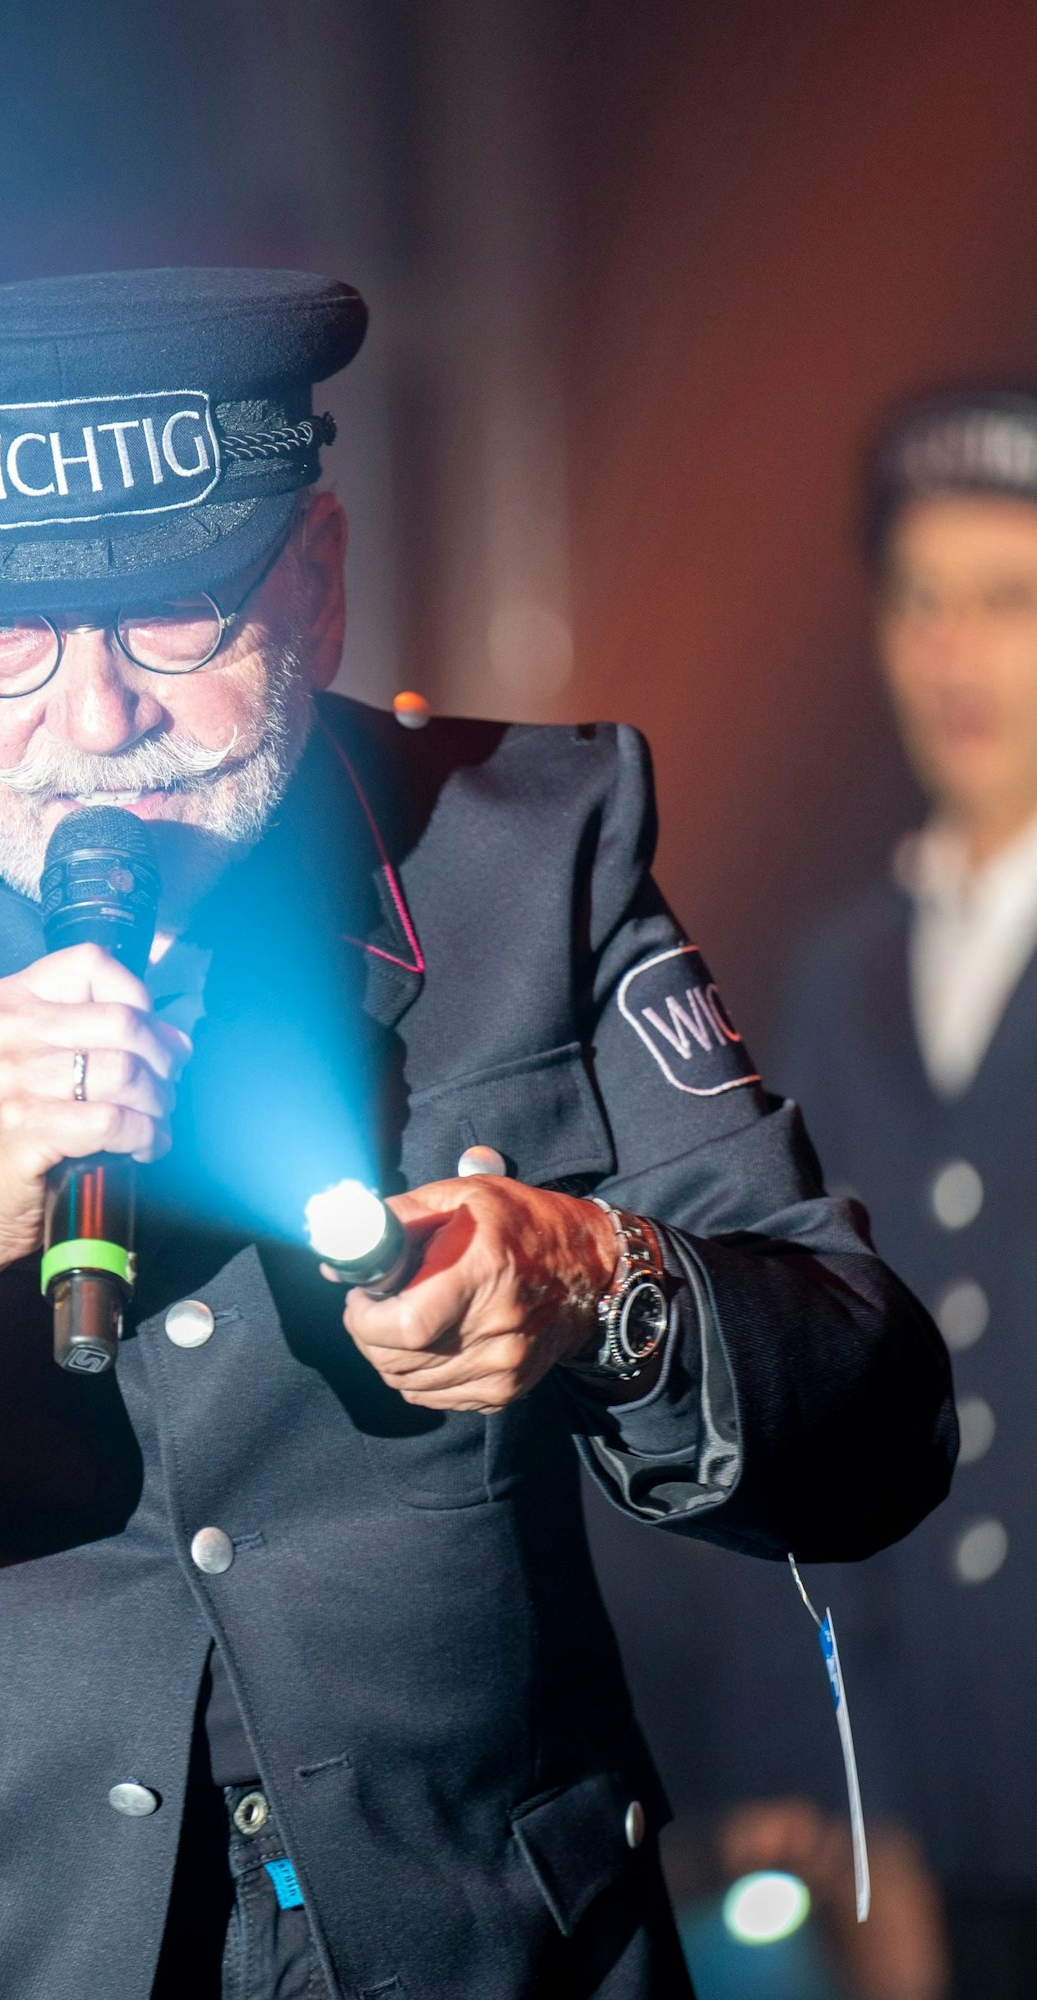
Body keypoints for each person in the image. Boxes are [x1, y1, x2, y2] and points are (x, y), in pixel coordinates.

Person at [0, 268, 954, 2000]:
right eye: (3, 639)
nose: (97, 723)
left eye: (176, 618)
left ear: (315, 577)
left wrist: (603, 1282)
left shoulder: (526, 849)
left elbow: (879, 1421)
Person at [750, 387, 1037, 2000]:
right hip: (928, 1809)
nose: (952, 653)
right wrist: (833, 1783)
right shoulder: (831, 969)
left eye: (1007, 601)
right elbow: (815, 1386)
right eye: (919, 600)